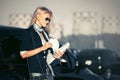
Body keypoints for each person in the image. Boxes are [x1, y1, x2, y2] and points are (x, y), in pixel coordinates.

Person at [20, 6, 66, 80]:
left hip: (48, 74)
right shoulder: (28, 32)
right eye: (46, 19)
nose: (48, 22)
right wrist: (42, 48)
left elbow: (46, 58)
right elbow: (23, 54)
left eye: (49, 20)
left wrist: (57, 56)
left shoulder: (45, 33)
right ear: (38, 16)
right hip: (36, 75)